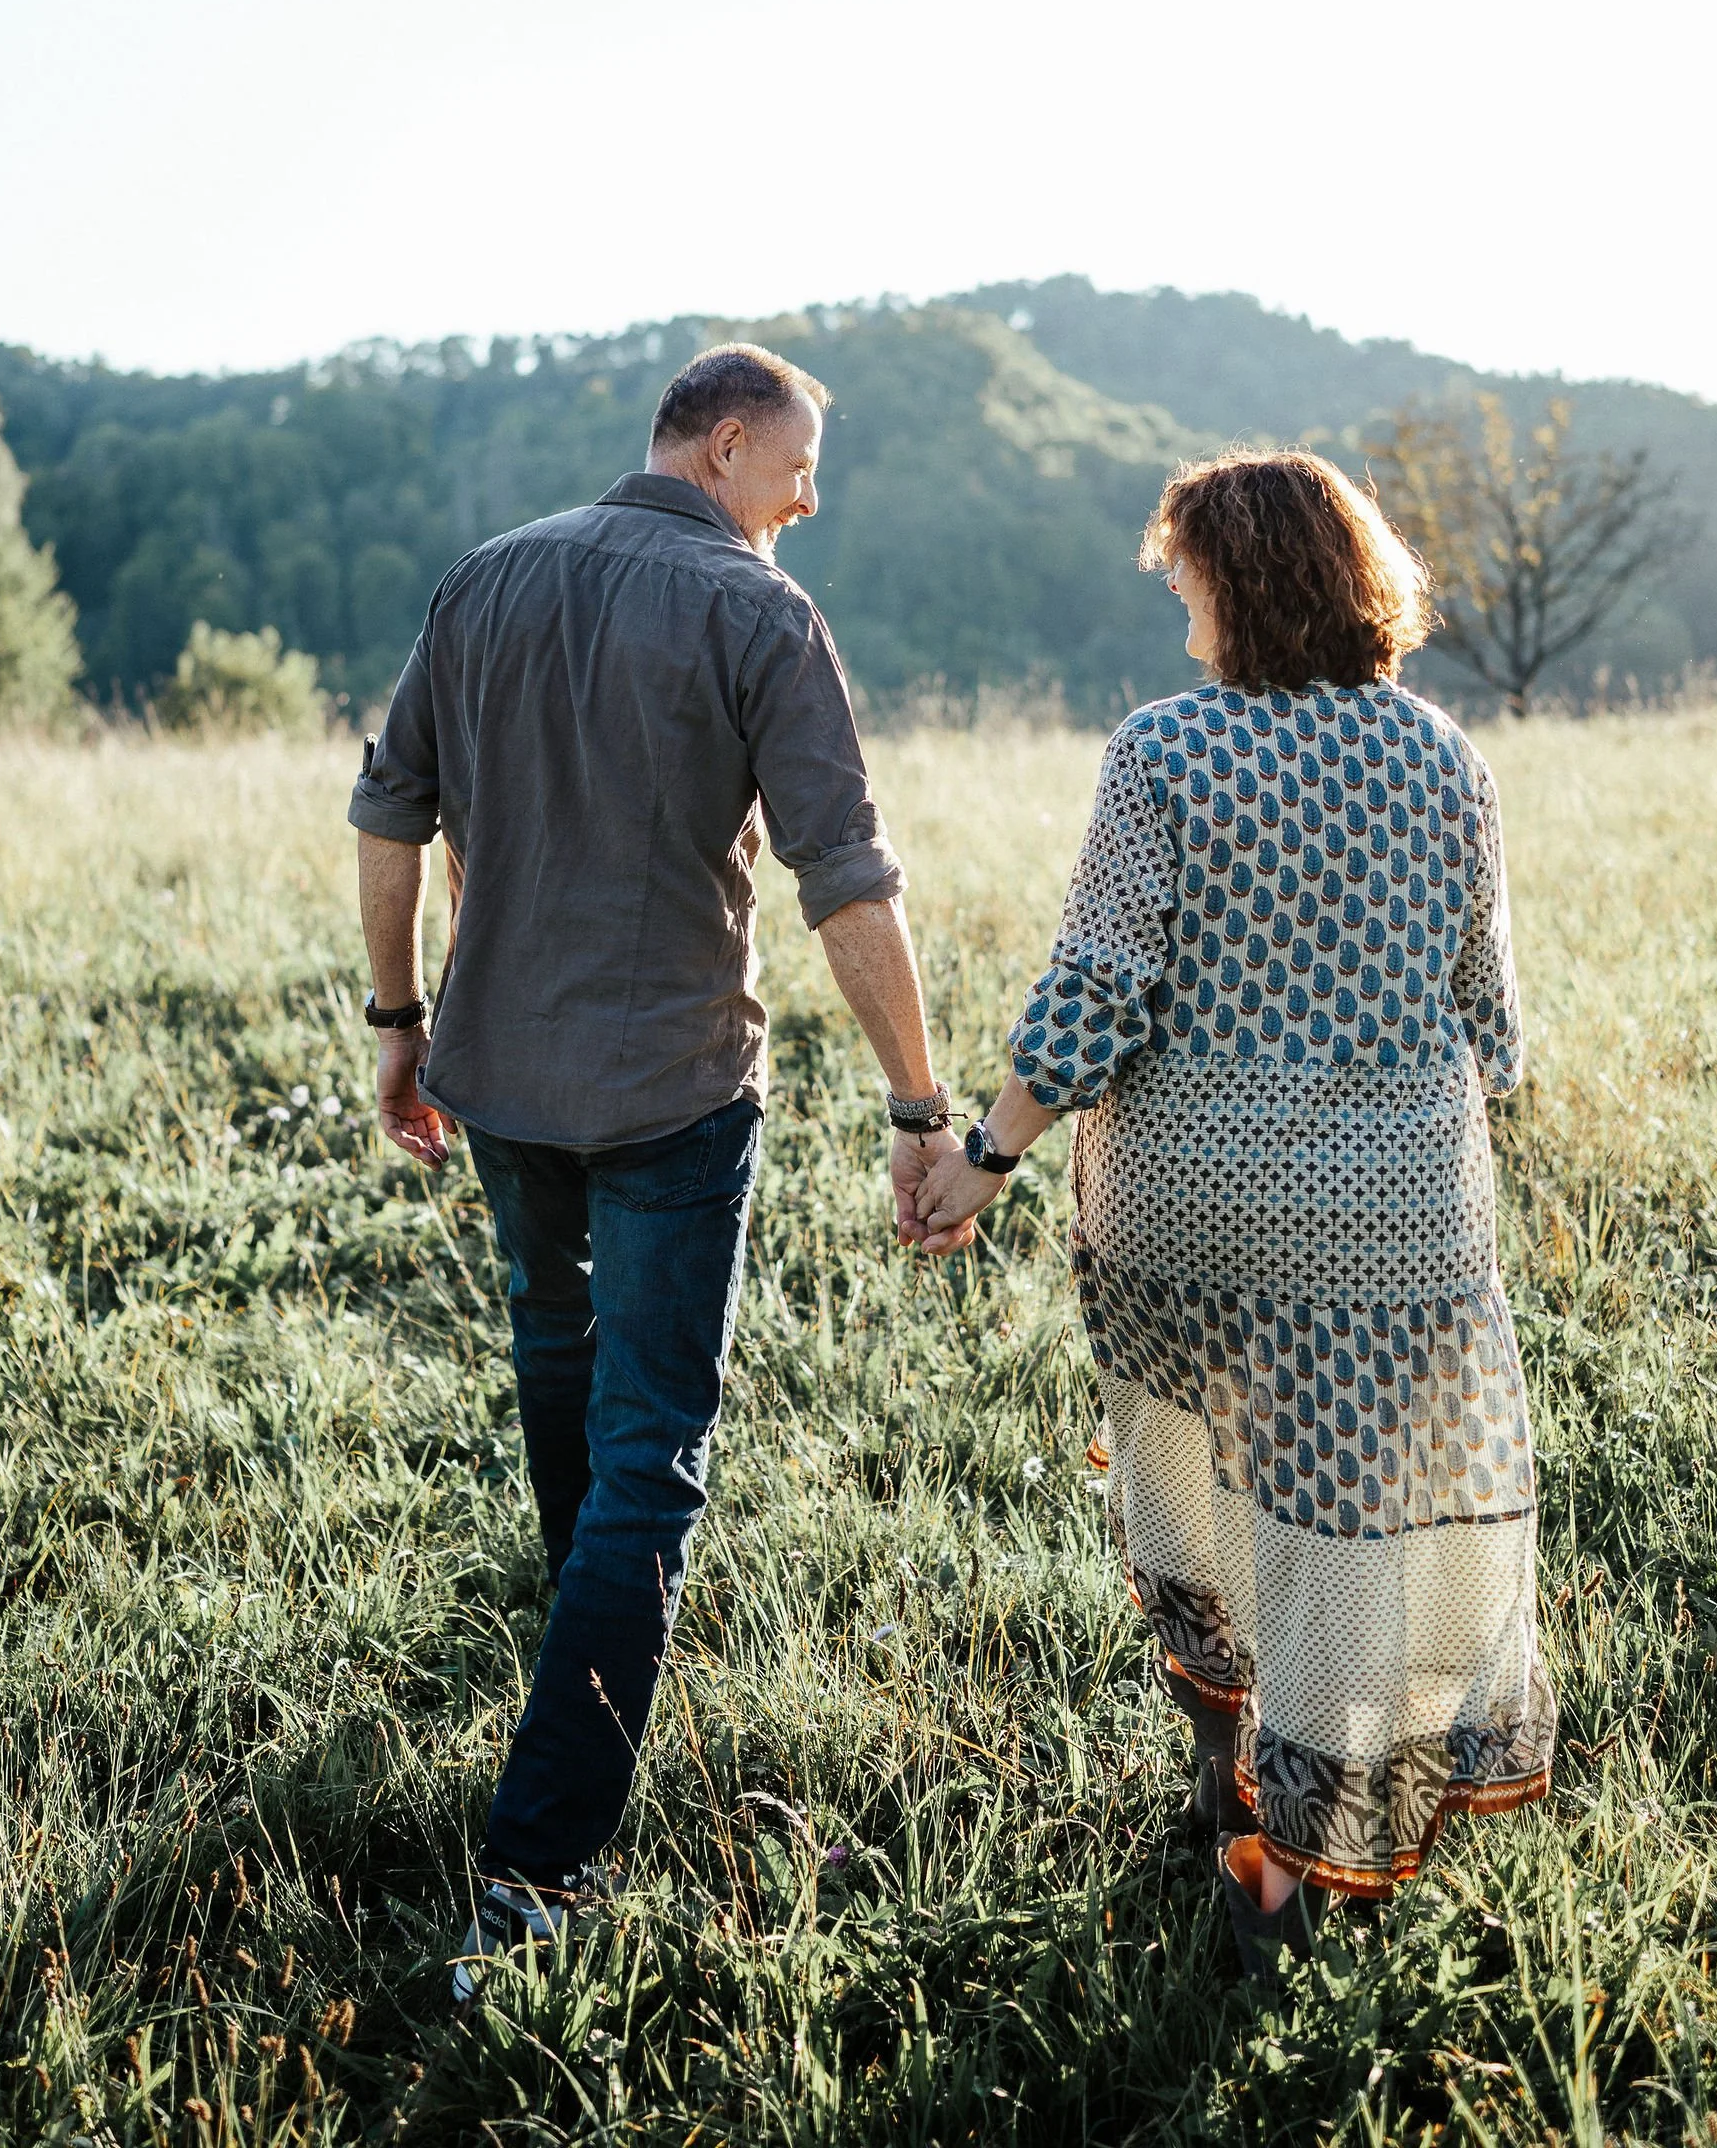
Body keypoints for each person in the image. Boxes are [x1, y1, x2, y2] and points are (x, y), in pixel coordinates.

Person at [349, 342, 965, 2001]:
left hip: (502, 1079)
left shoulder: (484, 580)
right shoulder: (762, 615)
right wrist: (921, 1106)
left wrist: (398, 1022)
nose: (809, 498)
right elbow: (848, 877)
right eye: (800, 464)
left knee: (561, 1358)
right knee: (652, 1456)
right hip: (677, 1090)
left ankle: (582, 1652)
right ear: (725, 438)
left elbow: (386, 815)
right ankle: (535, 1873)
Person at [915, 449, 1555, 1974]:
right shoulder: (1441, 757)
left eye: (1186, 569)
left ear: (1241, 577)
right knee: (1342, 1525)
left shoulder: (1165, 754)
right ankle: (1295, 1848)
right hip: (1395, 1227)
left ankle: (1239, 1798)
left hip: (1188, 1216)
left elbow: (1095, 996)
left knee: (1202, 1493)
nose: (1176, 595)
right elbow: (1495, 1025)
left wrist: (987, 1159)